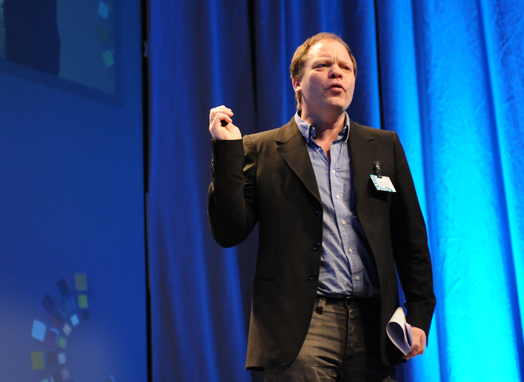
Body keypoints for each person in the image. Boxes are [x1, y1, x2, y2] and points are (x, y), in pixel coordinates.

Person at [208, 32, 435, 381]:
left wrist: (419, 314)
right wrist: (227, 154)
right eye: (324, 65)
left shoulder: (384, 146)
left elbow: (411, 239)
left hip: (375, 325)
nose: (337, 73)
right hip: (301, 326)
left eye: (345, 67)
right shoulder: (261, 149)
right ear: (297, 82)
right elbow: (229, 232)